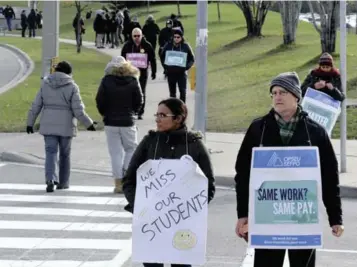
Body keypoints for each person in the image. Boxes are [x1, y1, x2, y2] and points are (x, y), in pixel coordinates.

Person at [234, 72, 344, 267]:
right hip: (267, 219)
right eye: (274, 93)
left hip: (303, 221)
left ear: (296, 96)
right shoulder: (258, 129)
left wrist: (335, 218)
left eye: (282, 92)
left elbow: (329, 177)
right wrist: (243, 215)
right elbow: (243, 175)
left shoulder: (315, 132)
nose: (277, 97)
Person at [122, 98, 216, 267]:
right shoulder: (150, 142)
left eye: (163, 115)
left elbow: (208, 185)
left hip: (183, 224)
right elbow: (129, 179)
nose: (157, 119)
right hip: (152, 223)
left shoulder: (194, 144)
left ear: (178, 119)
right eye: (156, 114)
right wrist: (140, 206)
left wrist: (194, 211)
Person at [26, 61, 96, 193]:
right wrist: (88, 123)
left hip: (48, 124)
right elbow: (78, 110)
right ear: (69, 73)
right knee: (65, 154)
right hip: (66, 126)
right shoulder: (72, 86)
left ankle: (50, 179)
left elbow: (35, 106)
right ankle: (63, 183)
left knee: (50, 152)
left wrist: (30, 123)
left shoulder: (45, 84)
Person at [96, 56, 143, 193]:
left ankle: (118, 183)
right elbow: (139, 101)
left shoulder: (106, 81)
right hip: (128, 121)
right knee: (130, 149)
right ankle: (127, 177)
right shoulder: (133, 81)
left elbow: (100, 100)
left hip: (110, 121)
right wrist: (134, 113)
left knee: (115, 153)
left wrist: (105, 114)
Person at [121, 27, 156, 120]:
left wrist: (154, 71)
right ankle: (132, 110)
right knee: (130, 91)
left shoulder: (147, 45)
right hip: (130, 72)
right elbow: (122, 59)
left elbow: (153, 59)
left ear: (142, 35)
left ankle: (140, 111)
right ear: (132, 36)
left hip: (142, 72)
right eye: (134, 36)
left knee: (141, 91)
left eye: (138, 36)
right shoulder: (127, 46)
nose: (136, 37)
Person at [160, 28, 194, 103]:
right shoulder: (168, 45)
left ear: (181, 38)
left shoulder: (186, 46)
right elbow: (162, 56)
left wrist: (186, 67)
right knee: (172, 94)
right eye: (174, 37)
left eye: (178, 37)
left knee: (183, 92)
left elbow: (192, 59)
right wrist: (165, 67)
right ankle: (174, 110)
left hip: (181, 73)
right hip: (171, 73)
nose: (176, 39)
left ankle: (182, 109)